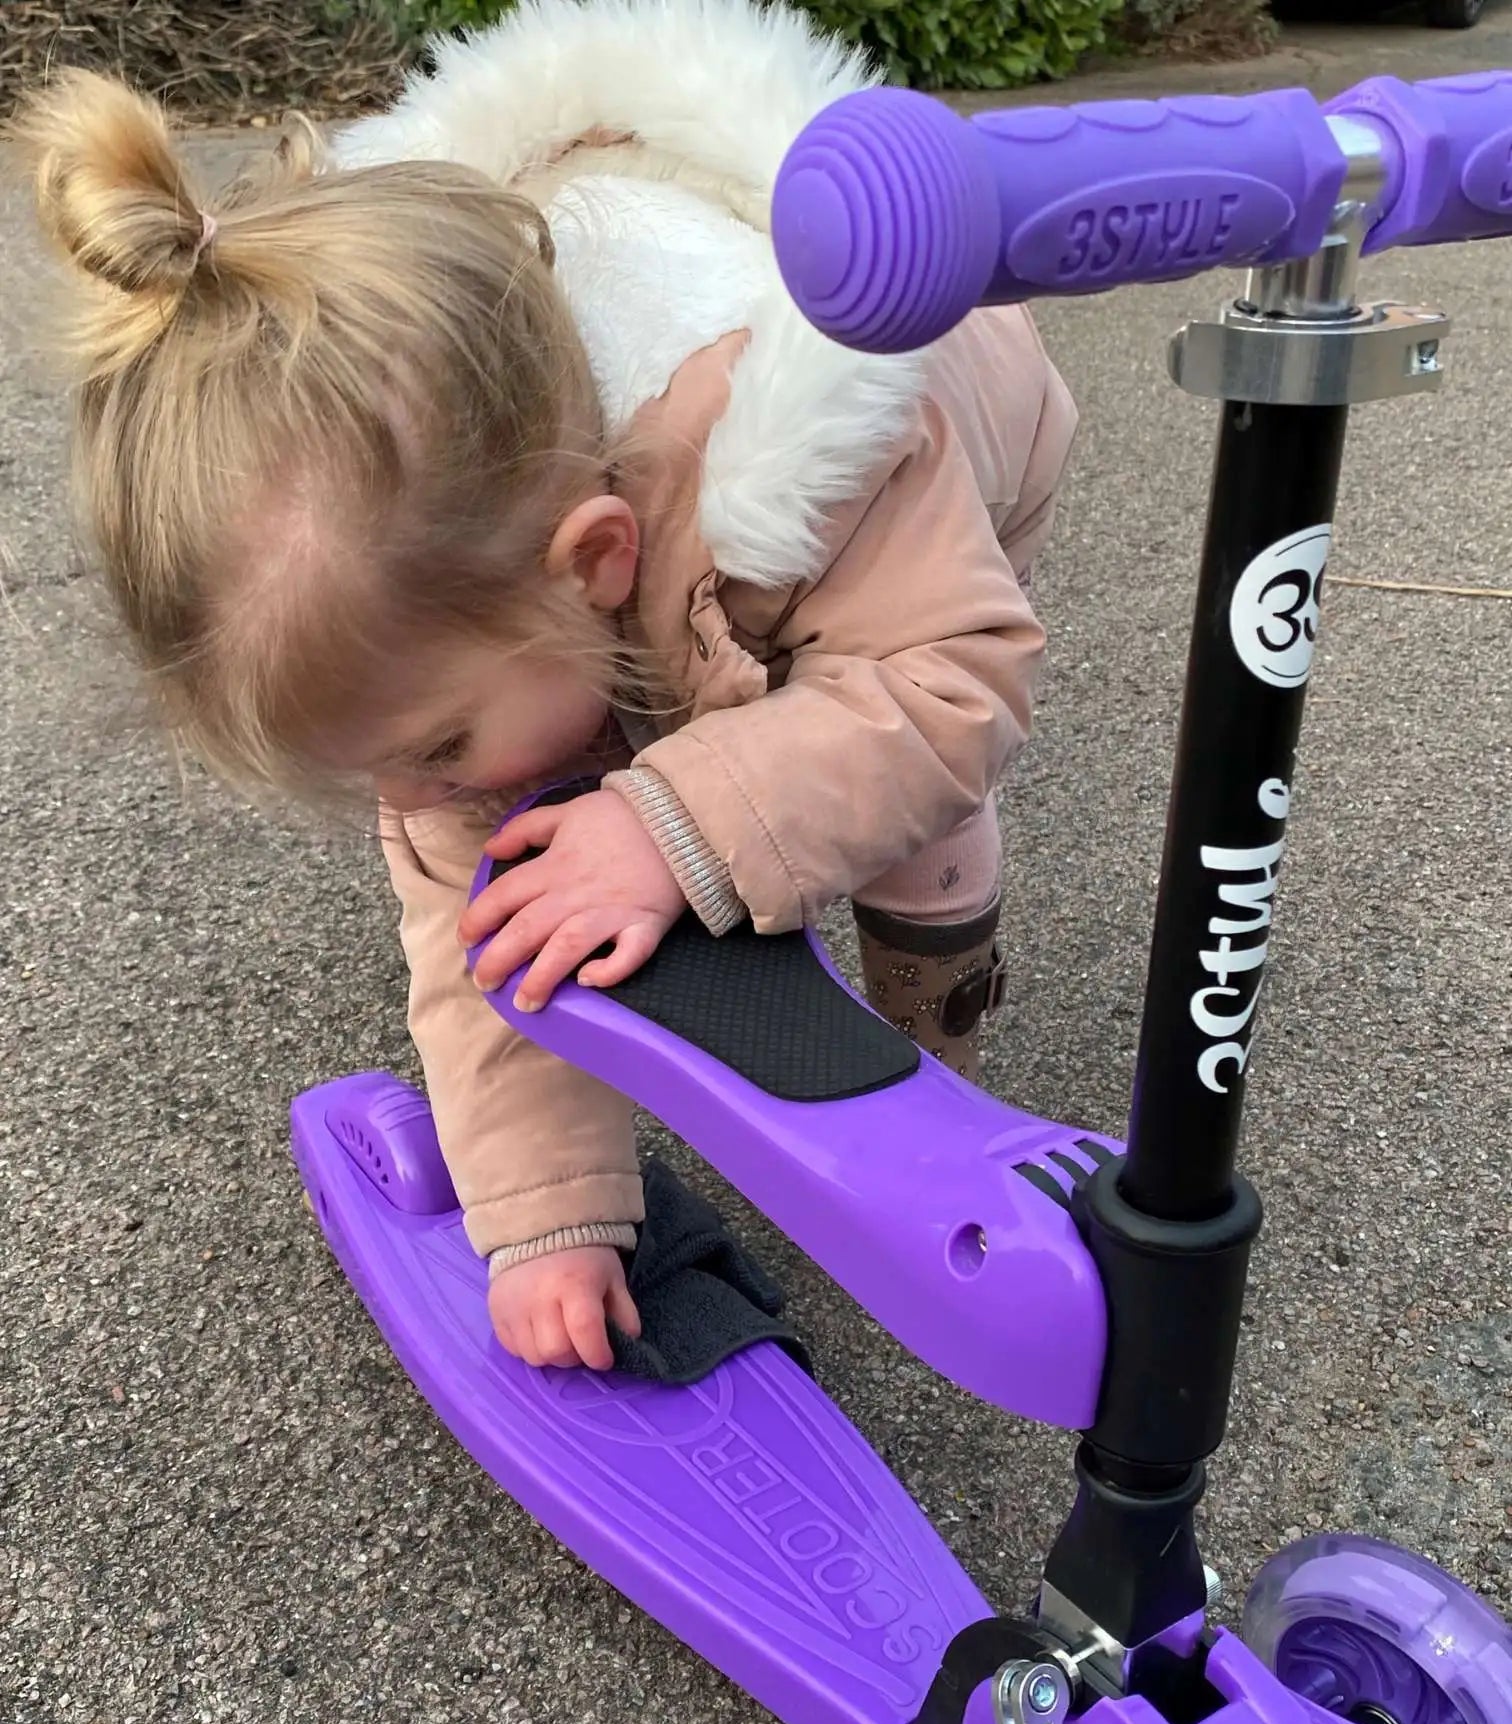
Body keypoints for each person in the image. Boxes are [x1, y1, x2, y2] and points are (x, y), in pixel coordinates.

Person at [12, 0, 1076, 1377]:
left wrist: (672, 818)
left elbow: (954, 682)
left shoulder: (825, 470)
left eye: (436, 744)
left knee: (901, 785)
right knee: (580, 795)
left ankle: (937, 1057)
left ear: (593, 561)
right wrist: (549, 1221)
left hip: (948, 420)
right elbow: (481, 933)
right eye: (370, 769)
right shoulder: (452, 617)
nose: (411, 801)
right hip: (644, 563)